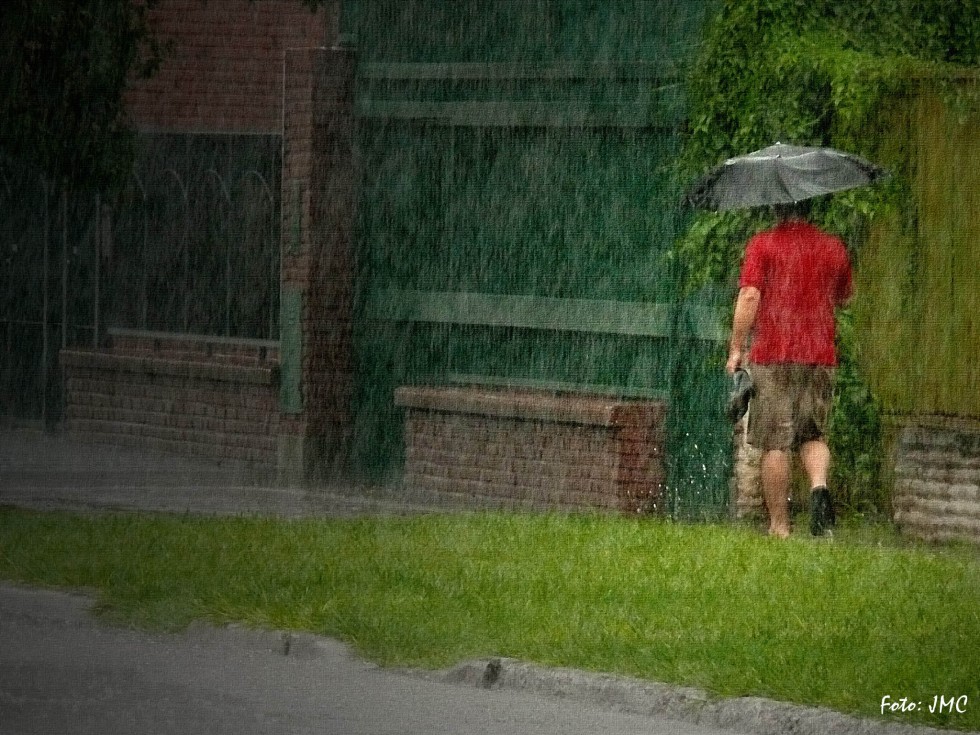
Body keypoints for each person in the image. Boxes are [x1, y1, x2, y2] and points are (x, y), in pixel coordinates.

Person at [726, 201, 852, 538]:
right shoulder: (833, 247)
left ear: (776, 208)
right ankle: (819, 486)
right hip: (819, 355)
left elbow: (750, 296)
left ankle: (780, 526)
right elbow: (844, 297)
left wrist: (737, 347)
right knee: (812, 434)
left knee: (776, 443)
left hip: (773, 356)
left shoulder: (763, 244)